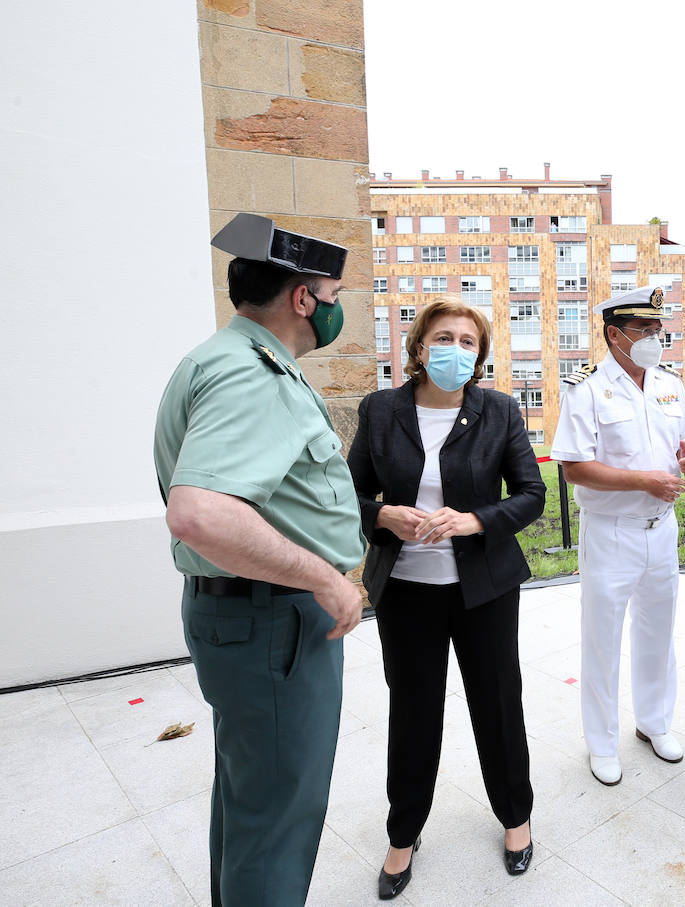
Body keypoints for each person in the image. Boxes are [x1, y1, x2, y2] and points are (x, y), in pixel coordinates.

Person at [154, 213, 365, 906]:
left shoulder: (219, 358)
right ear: (303, 298)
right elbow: (200, 512)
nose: (336, 308)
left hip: (248, 617)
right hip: (277, 622)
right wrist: (326, 578)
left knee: (253, 798)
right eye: (333, 295)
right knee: (278, 818)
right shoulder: (254, 373)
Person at [347, 297, 546, 896]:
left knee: (498, 705)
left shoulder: (499, 411)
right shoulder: (381, 410)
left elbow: (531, 494)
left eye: (467, 341)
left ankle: (516, 818)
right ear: (419, 347)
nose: (454, 349)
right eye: (443, 337)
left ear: (479, 355)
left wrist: (474, 520)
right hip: (406, 592)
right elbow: (347, 495)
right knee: (413, 712)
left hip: (484, 589)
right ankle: (402, 835)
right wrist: (385, 516)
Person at [550, 285, 685, 786]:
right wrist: (643, 481)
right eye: (645, 329)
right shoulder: (586, 388)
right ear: (615, 335)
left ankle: (654, 723)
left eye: (658, 329)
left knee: (658, 633)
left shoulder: (668, 384)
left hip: (662, 529)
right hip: (611, 532)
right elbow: (574, 467)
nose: (655, 338)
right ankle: (601, 743)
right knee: (603, 639)